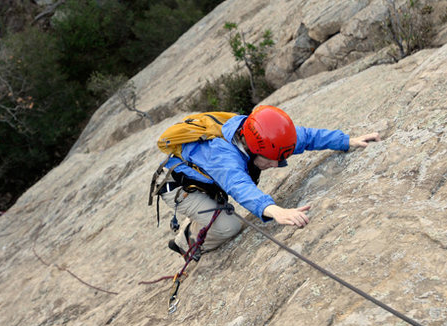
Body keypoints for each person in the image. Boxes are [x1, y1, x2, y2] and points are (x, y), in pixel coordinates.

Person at [158, 105, 380, 259]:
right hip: (181, 187)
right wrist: (274, 211)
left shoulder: (262, 135)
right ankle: (184, 242)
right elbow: (239, 186)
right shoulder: (223, 156)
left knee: (219, 212)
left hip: (205, 177)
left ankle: (201, 217)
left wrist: (347, 141)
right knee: (229, 227)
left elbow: (306, 137)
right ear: (254, 150)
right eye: (272, 161)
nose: (276, 165)